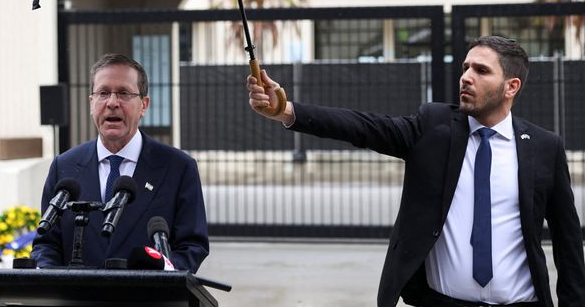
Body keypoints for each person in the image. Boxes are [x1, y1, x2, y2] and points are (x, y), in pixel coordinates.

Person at [246, 36, 584, 307]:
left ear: (511, 87)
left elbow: (568, 244)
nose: (466, 77)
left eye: (481, 71)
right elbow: (363, 127)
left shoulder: (543, 147)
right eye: (465, 67)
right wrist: (287, 111)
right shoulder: (433, 127)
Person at [32, 53, 209, 272]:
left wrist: (161, 272)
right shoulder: (64, 166)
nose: (112, 103)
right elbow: (47, 244)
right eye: (103, 93)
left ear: (144, 105)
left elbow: (192, 247)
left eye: (124, 93)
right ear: (91, 102)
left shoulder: (178, 167)